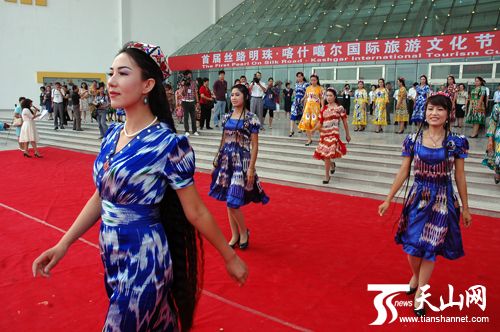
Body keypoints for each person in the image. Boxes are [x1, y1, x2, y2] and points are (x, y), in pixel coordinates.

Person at [32, 42, 247, 332]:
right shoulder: (111, 135)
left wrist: (229, 256)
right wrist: (64, 244)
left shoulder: (168, 144)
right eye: (111, 73)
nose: (111, 82)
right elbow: (101, 195)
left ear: (147, 85)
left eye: (122, 73)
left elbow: (195, 211)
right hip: (111, 254)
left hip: (145, 259)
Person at [378, 93, 472, 317]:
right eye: (431, 109)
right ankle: (415, 275)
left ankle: (421, 290)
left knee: (430, 247)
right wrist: (388, 198)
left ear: (448, 114)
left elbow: (460, 176)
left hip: (442, 199)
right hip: (417, 197)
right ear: (425, 111)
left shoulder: (456, 142)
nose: (434, 113)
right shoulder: (413, 139)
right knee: (412, 245)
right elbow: (404, 170)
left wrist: (466, 207)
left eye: (440, 110)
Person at [209, 84, 269, 250]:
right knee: (229, 200)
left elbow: (255, 146)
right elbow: (222, 141)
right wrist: (215, 162)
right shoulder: (226, 117)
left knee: (233, 201)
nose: (233, 97)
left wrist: (251, 168)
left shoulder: (251, 118)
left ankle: (243, 232)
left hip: (241, 163)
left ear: (245, 97)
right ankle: (235, 234)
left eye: (237, 95)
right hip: (225, 162)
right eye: (232, 95)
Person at [312, 88, 351, 184]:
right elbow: (320, 123)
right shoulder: (324, 108)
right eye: (327, 96)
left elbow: (345, 122)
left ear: (334, 97)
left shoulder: (339, 108)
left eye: (330, 96)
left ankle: (327, 176)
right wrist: (312, 130)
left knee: (326, 155)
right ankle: (332, 164)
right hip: (324, 134)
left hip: (334, 134)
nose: (328, 98)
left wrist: (347, 134)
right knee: (322, 155)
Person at [298, 74, 324, 146]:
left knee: (316, 123)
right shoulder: (308, 88)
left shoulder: (320, 88)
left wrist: (322, 106)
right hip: (308, 107)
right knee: (306, 123)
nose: (313, 81)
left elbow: (322, 98)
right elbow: (306, 97)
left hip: (316, 108)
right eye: (311, 80)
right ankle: (309, 139)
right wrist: (304, 106)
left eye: (314, 80)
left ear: (317, 80)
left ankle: (322, 138)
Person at [483, 90, 500, 184]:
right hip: (499, 135)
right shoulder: (497, 107)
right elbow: (493, 122)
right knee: (498, 158)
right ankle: (498, 173)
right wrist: (490, 139)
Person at [289, 72, 309, 137]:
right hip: (296, 101)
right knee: (293, 115)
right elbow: (295, 92)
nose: (299, 78)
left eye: (300, 76)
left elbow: (307, 94)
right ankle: (291, 130)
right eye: (297, 76)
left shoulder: (306, 84)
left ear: (303, 77)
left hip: (303, 101)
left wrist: (303, 99)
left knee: (302, 115)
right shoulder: (296, 84)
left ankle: (302, 128)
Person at [181, 70, 200, 136]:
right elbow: (183, 94)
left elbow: (196, 92)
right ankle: (187, 131)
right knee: (186, 117)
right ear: (185, 76)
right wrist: (184, 87)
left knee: (193, 117)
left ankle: (194, 131)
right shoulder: (183, 82)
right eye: (188, 74)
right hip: (185, 102)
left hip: (192, 101)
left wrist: (197, 102)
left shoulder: (194, 83)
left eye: (190, 74)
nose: (190, 76)